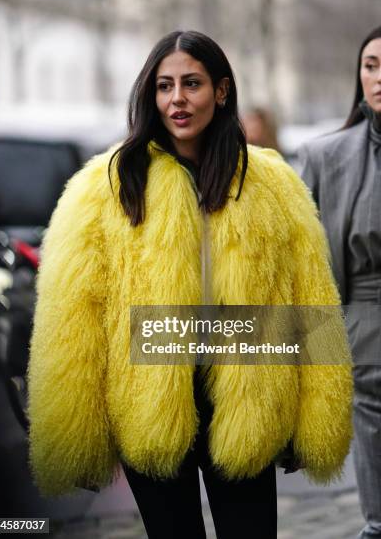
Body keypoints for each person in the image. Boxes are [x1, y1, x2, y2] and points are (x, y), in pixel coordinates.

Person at [28, 30, 353, 539]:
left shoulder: (270, 183)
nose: (176, 99)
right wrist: (78, 431)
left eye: (192, 83)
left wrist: (313, 419)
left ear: (221, 91)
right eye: (164, 86)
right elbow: (71, 317)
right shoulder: (107, 186)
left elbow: (310, 297)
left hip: (247, 393)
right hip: (148, 398)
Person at [298, 25, 381, 539]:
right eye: (371, 65)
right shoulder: (326, 157)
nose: (379, 77)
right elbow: (302, 267)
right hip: (359, 329)